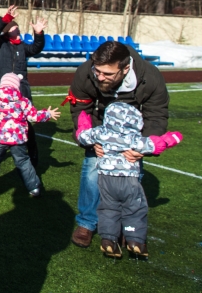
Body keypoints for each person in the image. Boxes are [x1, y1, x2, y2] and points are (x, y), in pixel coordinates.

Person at [64, 41, 169, 249]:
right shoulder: (86, 72)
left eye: (107, 74)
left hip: (132, 135)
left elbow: (156, 116)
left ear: (125, 68)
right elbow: (81, 109)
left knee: (130, 179)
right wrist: (92, 140)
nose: (100, 77)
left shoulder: (151, 77)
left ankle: (123, 226)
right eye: (98, 71)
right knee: (92, 170)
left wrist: (140, 147)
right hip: (100, 128)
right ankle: (87, 222)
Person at [76, 102, 182, 257]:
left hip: (106, 180)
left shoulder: (100, 133)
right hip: (129, 180)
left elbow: (82, 135)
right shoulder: (135, 139)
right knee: (134, 208)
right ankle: (135, 240)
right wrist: (173, 137)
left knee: (108, 208)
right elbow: (157, 144)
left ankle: (108, 240)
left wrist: (84, 121)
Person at [0, 73, 60, 198]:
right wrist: (47, 113)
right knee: (23, 161)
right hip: (18, 139)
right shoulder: (23, 101)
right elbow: (34, 116)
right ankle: (34, 187)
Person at [0, 5, 47, 168]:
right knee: (0, 121)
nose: (17, 29)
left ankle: (32, 154)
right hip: (0, 93)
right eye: (13, 27)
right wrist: (6, 18)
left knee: (26, 122)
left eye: (17, 26)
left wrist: (38, 33)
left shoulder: (22, 46)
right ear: (7, 31)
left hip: (21, 92)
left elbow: (36, 48)